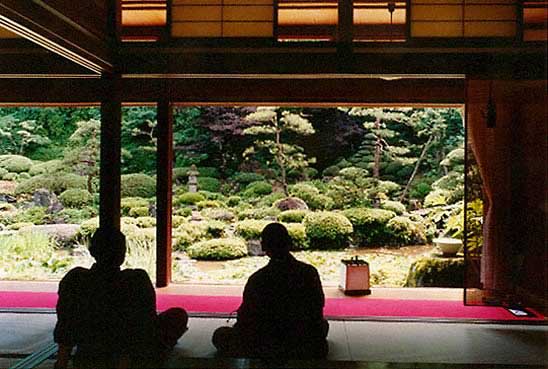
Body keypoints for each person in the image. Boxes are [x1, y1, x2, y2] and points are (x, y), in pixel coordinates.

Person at [53, 227, 188, 369]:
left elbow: (66, 323)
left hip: (90, 352)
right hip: (132, 354)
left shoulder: (75, 279)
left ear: (92, 251)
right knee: (177, 315)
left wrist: (61, 362)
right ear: (123, 253)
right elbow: (145, 324)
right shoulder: (136, 280)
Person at [212, 222, 329, 359]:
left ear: (263, 246)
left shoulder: (258, 279)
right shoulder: (309, 272)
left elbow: (246, 318)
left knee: (220, 335)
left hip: (266, 344)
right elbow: (317, 307)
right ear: (289, 242)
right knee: (323, 325)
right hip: (301, 342)